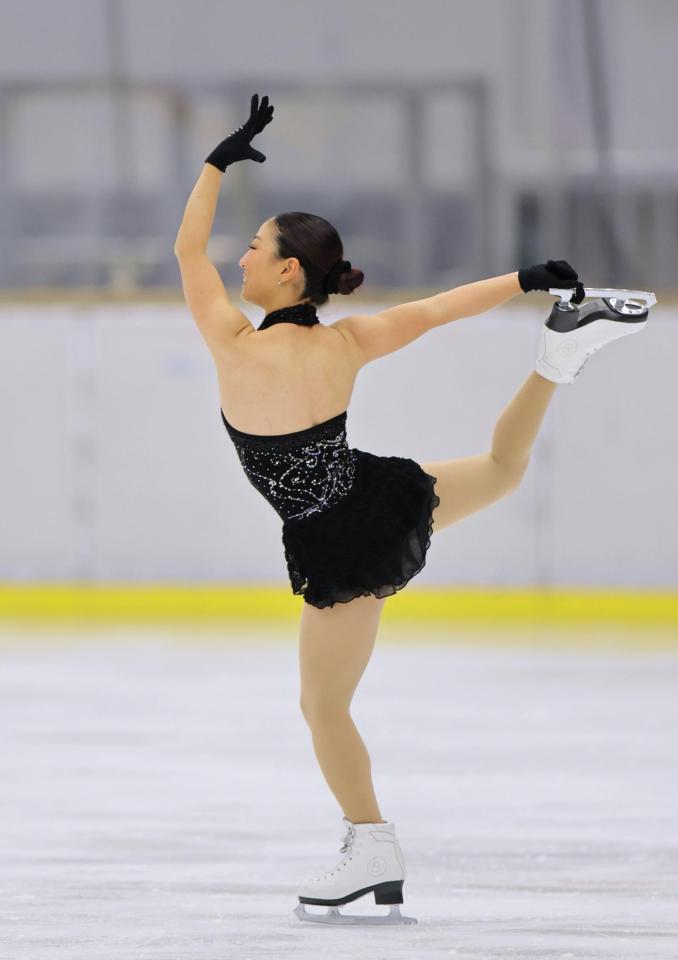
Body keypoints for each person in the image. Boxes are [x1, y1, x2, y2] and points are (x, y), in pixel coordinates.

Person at [174, 94, 647, 925]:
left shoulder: (231, 341)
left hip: (340, 540)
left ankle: (371, 842)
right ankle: (558, 353)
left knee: (323, 708)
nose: (237, 259)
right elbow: (433, 311)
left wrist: (217, 161)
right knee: (501, 469)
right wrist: (526, 279)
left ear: (288, 271)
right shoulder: (345, 342)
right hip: (374, 493)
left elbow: (183, 249)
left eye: (252, 248)